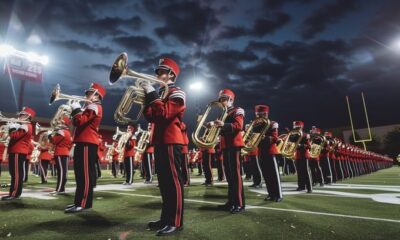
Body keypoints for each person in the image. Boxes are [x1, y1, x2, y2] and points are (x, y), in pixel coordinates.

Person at [142, 57, 186, 235]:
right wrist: (148, 98)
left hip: (170, 140)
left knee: (173, 182)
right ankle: (165, 218)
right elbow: (152, 117)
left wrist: (152, 94)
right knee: (164, 183)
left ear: (171, 75)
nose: (158, 75)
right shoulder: (160, 95)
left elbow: (164, 113)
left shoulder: (178, 92)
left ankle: (175, 222)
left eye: (162, 72)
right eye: (158, 72)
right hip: (159, 141)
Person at [65, 83, 105, 213]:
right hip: (82, 142)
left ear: (97, 95)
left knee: (85, 175)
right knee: (79, 175)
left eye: (89, 93)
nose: (86, 95)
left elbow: (79, 121)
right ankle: (78, 202)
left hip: (88, 142)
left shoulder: (95, 106)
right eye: (87, 93)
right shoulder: (89, 107)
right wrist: (75, 110)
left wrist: (76, 109)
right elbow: (76, 123)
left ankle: (84, 203)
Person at [210, 89, 245, 214]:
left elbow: (238, 126)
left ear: (231, 99)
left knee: (235, 175)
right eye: (221, 99)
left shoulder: (238, 110)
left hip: (234, 145)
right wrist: (212, 125)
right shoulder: (222, 114)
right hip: (225, 146)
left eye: (224, 99)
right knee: (230, 176)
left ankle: (240, 203)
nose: (221, 101)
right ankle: (231, 201)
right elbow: (221, 130)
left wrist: (222, 125)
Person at [1, 107, 35, 200]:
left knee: (16, 174)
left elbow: (14, 136)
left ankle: (14, 194)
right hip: (16, 151)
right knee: (14, 173)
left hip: (18, 151)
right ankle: (13, 193)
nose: (19, 116)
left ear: (28, 116)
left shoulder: (26, 125)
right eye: (20, 114)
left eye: (22, 114)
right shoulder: (23, 125)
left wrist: (12, 127)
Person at [254, 105, 282, 202]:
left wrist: (264, 138)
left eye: (261, 114)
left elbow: (275, 138)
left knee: (274, 174)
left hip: (270, 151)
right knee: (266, 175)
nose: (259, 116)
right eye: (257, 114)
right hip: (261, 151)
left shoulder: (273, 123)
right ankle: (270, 194)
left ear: (266, 114)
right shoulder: (255, 125)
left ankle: (278, 195)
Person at [49, 116, 72, 194]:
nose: (59, 123)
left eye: (60, 122)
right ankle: (61, 188)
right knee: (63, 171)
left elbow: (54, 141)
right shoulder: (68, 132)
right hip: (65, 152)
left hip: (60, 153)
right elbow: (70, 145)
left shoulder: (61, 132)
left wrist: (50, 136)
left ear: (64, 123)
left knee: (61, 172)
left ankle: (60, 189)